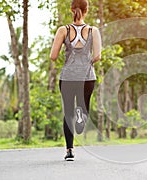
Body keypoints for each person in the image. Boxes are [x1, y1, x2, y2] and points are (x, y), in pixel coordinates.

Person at [50, 0, 101, 161]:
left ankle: (70, 151)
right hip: (87, 77)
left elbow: (53, 56)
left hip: (68, 77)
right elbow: (98, 56)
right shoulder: (93, 31)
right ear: (87, 10)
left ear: (72, 10)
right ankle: (82, 115)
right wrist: (86, 63)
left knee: (68, 113)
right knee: (83, 106)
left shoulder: (63, 30)